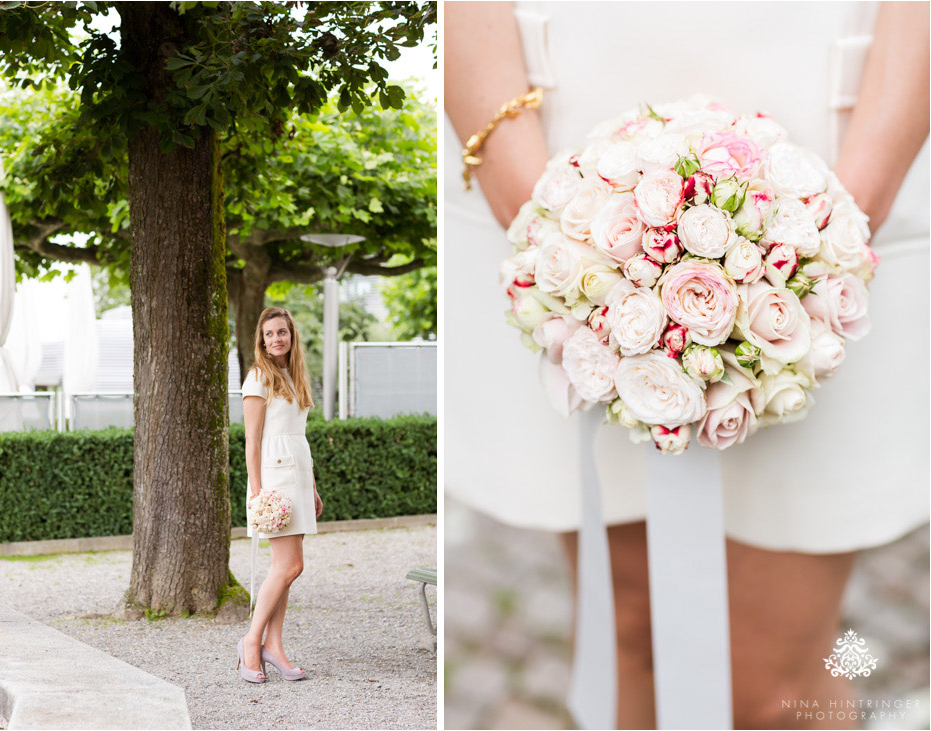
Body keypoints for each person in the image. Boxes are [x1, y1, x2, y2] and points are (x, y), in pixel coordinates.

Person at [444, 2, 929, 728]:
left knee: (778, 687)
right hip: (564, 167)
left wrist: (834, 231)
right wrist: (557, 236)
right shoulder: (564, 231)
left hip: (837, 152)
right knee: (631, 621)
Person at [237, 306, 323, 683]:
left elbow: (297, 436)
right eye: (269, 334)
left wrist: (314, 488)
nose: (276, 339)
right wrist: (258, 492)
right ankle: (251, 643)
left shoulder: (294, 376)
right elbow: (252, 439)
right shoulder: (259, 377)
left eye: (282, 332)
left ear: (291, 336)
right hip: (273, 479)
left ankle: (275, 646)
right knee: (289, 566)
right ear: (261, 339)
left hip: (298, 474)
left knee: (285, 570)